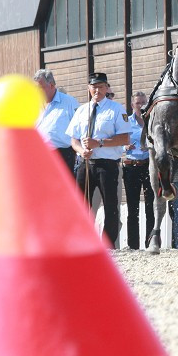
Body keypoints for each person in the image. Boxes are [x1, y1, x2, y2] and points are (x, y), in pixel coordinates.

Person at [66, 72, 130, 248]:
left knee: (110, 207)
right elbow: (73, 139)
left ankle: (107, 246)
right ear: (89, 88)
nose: (97, 90)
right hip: (85, 164)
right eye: (94, 87)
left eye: (101, 87)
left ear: (107, 88)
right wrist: (81, 150)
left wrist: (99, 143)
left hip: (106, 165)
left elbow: (125, 138)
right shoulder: (81, 110)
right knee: (80, 207)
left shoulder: (116, 109)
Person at [122, 91, 154, 250]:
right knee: (132, 207)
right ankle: (133, 245)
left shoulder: (152, 121)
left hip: (149, 165)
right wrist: (124, 146)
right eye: (137, 103)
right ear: (132, 105)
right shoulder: (126, 121)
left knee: (150, 206)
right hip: (132, 166)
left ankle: (151, 243)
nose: (141, 106)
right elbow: (119, 138)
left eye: (143, 103)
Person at [34, 69, 80, 173]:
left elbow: (80, 128)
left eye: (40, 88)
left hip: (63, 155)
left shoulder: (69, 102)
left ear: (51, 85)